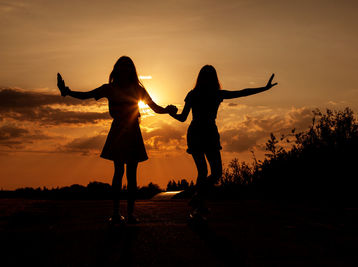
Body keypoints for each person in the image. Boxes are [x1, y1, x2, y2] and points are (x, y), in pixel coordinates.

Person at [57, 56, 177, 224]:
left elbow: (155, 108)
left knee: (132, 175)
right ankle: (115, 212)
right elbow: (87, 95)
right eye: (122, 66)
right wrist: (67, 92)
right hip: (119, 131)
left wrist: (168, 110)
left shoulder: (137, 89)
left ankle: (130, 214)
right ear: (117, 69)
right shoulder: (110, 88)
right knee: (119, 172)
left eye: (128, 66)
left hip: (133, 131)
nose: (125, 69)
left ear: (131, 70)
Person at [169, 65, 277, 221]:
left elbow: (242, 92)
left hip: (205, 132)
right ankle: (199, 204)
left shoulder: (205, 94)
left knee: (213, 172)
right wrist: (172, 114)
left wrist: (264, 88)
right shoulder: (204, 94)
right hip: (201, 132)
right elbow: (183, 117)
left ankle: (198, 198)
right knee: (206, 172)